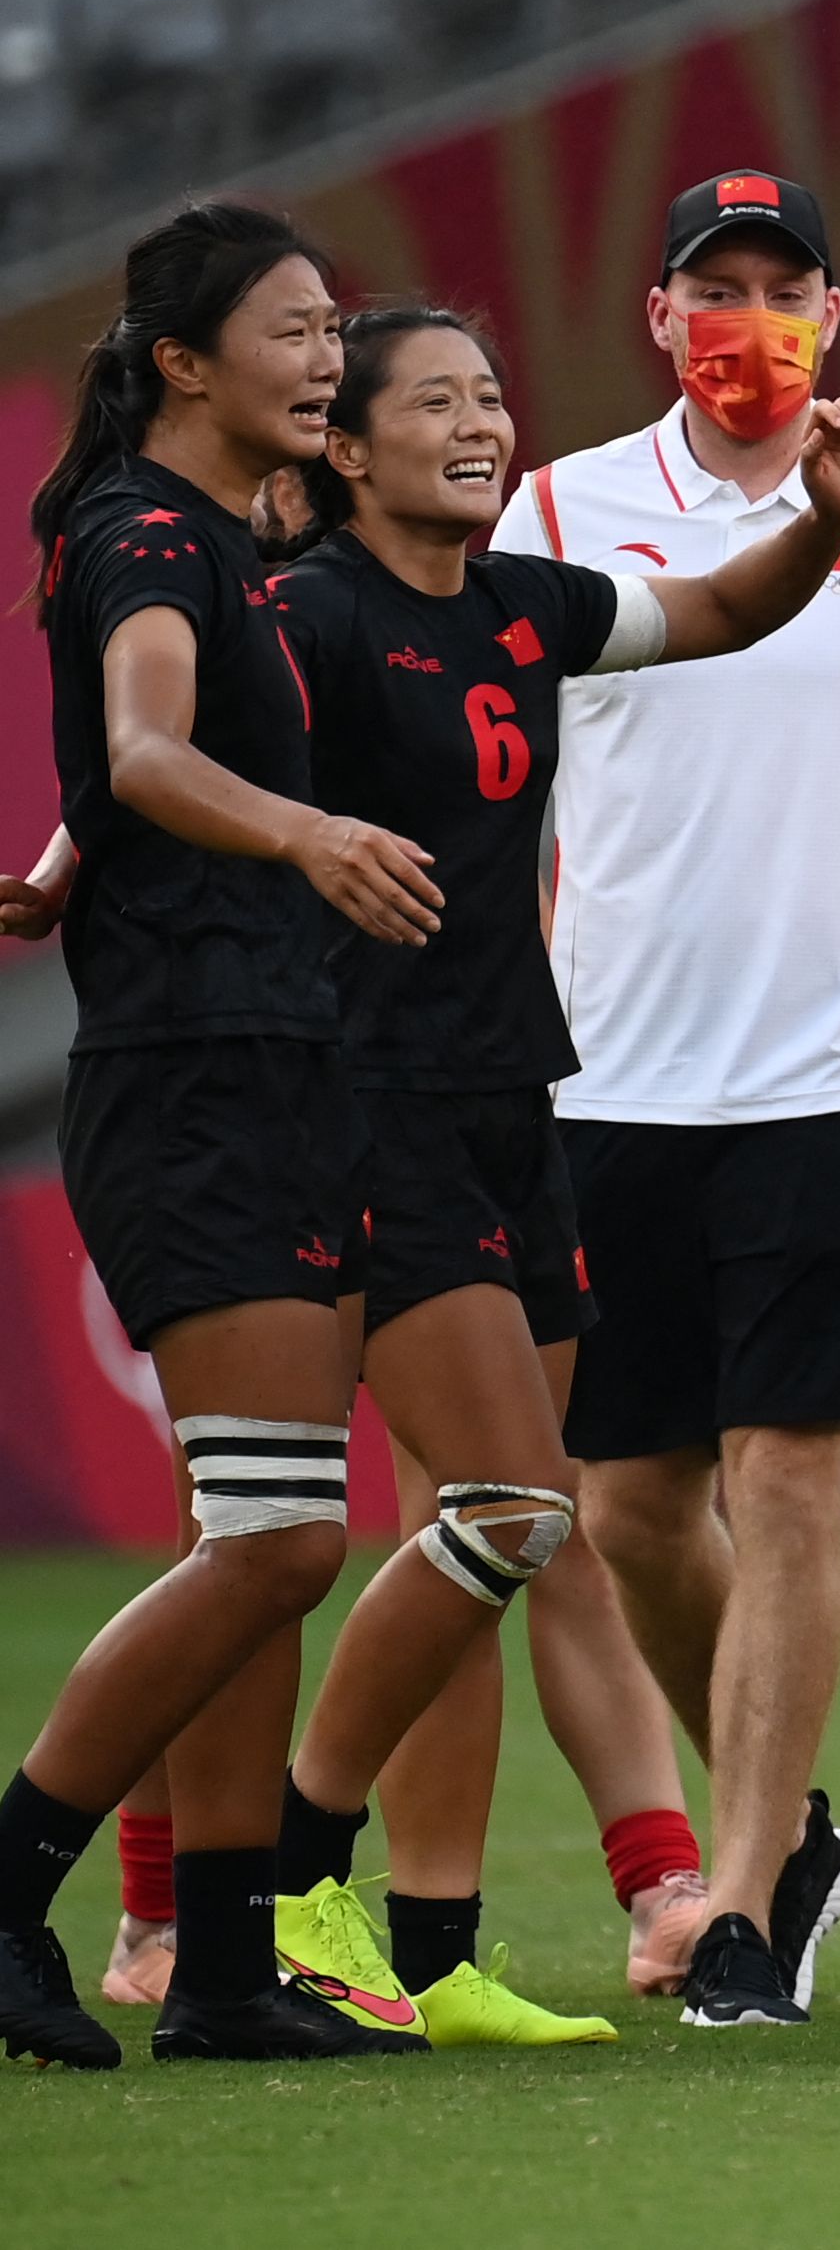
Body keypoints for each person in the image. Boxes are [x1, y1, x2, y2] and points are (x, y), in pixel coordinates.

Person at [242, 304, 840, 2046]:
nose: (476, 422)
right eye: (430, 401)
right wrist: (79, 857)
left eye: (489, 394)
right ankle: (286, 1884)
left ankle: (437, 1950)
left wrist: (826, 513)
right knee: (510, 1513)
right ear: (344, 451)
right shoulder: (303, 618)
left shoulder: (525, 604)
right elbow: (167, 761)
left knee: (522, 1532)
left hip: (521, 1106)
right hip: (373, 1109)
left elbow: (729, 608)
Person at [492, 166, 840, 2025]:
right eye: (713, 286)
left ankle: (746, 1902)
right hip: (606, 1075)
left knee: (792, 1474)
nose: (747, 318)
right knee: (627, 1509)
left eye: (784, 285)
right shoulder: (551, 504)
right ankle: (798, 1834)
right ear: (659, 316)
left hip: (827, 1069)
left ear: (833, 313)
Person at [0, 208, 444, 2065]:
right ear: (185, 363)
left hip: (268, 1061)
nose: (325, 354)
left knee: (256, 1526)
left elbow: (111, 787)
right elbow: (150, 748)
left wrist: (48, 878)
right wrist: (307, 833)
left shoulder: (229, 542)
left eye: (335, 324)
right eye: (291, 327)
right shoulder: (149, 537)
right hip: (200, 1076)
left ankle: (231, 1976)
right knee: (274, 1543)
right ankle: (19, 1874)